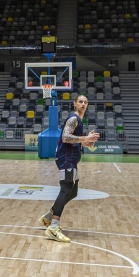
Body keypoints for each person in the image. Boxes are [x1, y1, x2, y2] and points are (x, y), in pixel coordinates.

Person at [39, 94, 99, 242]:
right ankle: (53, 227)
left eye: (85, 102)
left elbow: (74, 141)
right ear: (75, 104)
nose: (83, 104)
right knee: (66, 189)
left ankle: (48, 217)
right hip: (66, 159)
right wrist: (85, 138)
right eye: (80, 101)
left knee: (73, 191)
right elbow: (65, 138)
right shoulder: (73, 119)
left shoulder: (79, 120)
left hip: (71, 159)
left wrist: (86, 143)